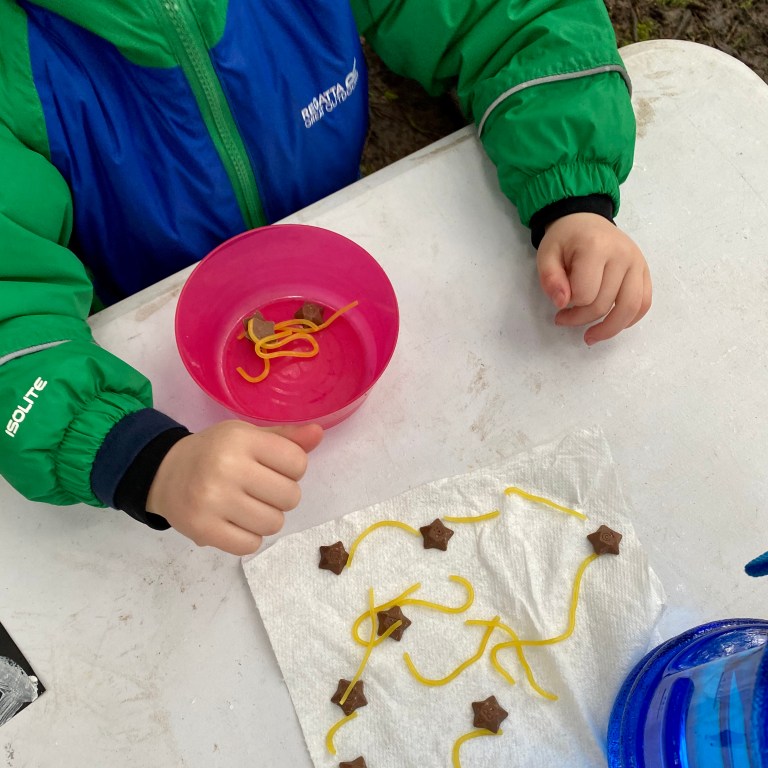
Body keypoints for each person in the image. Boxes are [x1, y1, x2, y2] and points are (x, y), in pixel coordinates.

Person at [0, 0, 651, 556]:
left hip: (351, 243)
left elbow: (510, 16)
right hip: (151, 321)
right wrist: (138, 458)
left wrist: (571, 194)